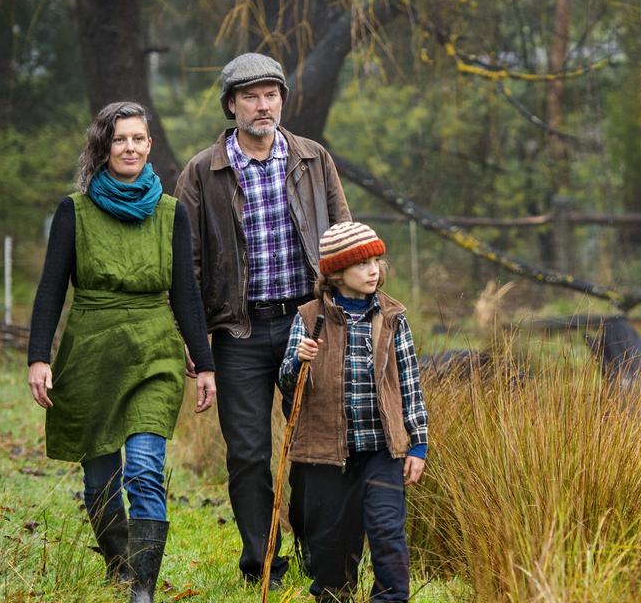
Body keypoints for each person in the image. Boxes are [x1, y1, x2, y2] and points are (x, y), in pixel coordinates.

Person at [28, 101, 217, 603]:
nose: (129, 147)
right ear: (104, 147)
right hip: (91, 351)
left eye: (137, 138)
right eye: (119, 139)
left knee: (144, 469)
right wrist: (38, 357)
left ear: (149, 145)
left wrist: (205, 363)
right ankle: (119, 563)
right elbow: (51, 289)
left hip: (154, 350)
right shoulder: (76, 210)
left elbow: (186, 294)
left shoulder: (171, 213)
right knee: (100, 481)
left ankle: (143, 588)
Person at [175, 52, 350, 585]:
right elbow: (187, 264)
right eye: (250, 96)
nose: (262, 105)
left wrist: (344, 312)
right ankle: (263, 563)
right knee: (249, 453)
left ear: (281, 101)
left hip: (307, 324)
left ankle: (312, 546)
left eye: (271, 94)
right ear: (232, 106)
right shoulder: (202, 172)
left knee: (314, 446)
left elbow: (343, 235)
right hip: (238, 331)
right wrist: (195, 337)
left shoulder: (313, 158)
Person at [279, 222, 428, 602]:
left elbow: (409, 383)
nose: (374, 270)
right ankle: (334, 595)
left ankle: (391, 598)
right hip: (327, 455)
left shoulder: (393, 318)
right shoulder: (310, 318)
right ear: (336, 273)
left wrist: (418, 443)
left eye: (377, 260)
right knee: (331, 543)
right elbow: (288, 385)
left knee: (387, 533)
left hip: (382, 451)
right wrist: (299, 361)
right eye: (362, 264)